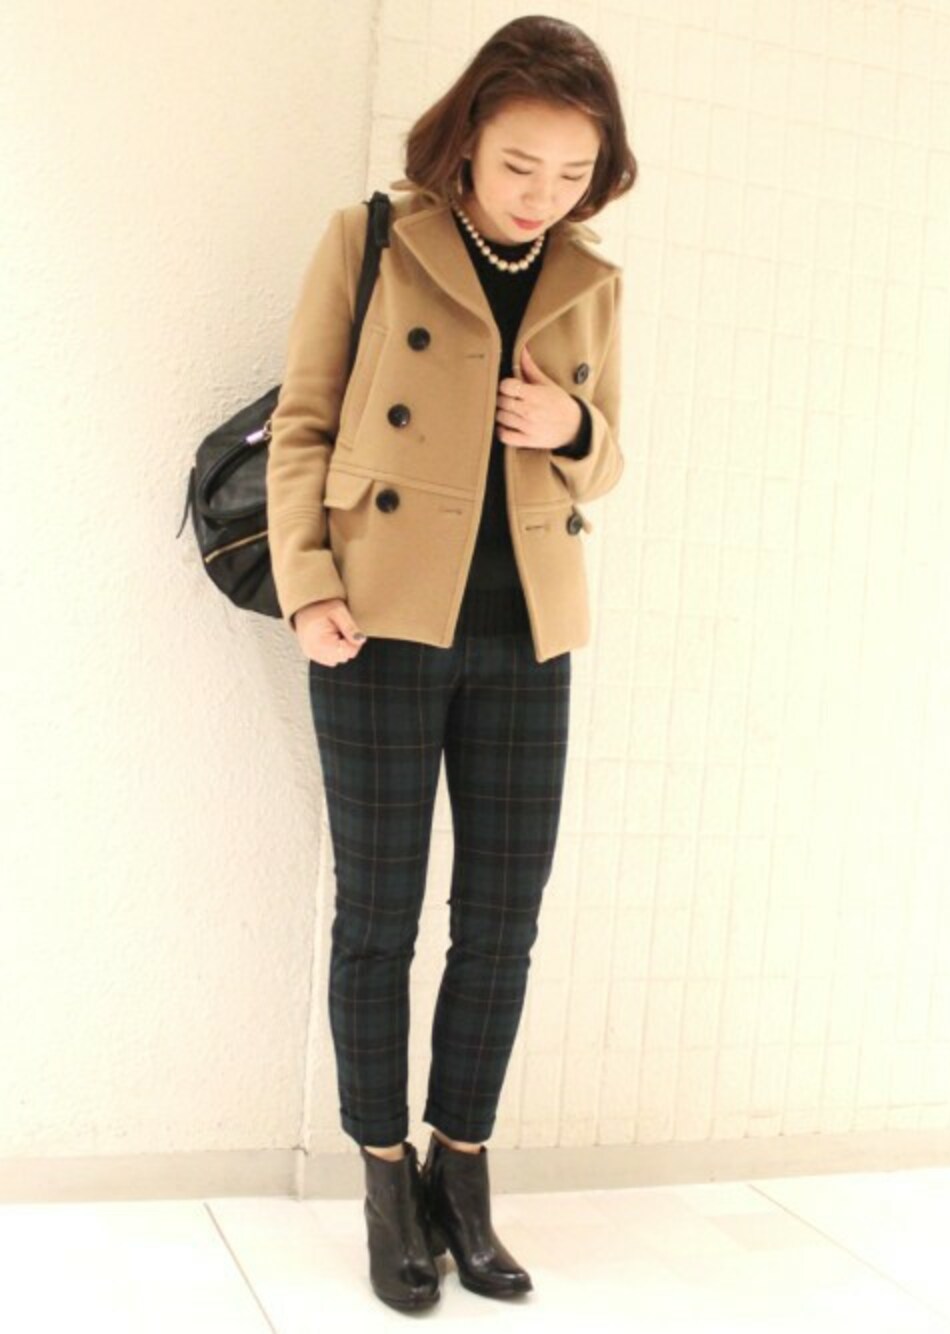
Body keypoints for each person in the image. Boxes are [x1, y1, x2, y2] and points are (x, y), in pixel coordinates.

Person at [266, 13, 636, 1312]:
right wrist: (308, 586)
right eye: (522, 164)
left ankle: (458, 1166)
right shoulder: (373, 240)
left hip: (527, 632)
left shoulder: (589, 279)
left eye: (573, 174)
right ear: (469, 138)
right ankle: (384, 1179)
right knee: (379, 919)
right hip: (377, 624)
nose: (543, 195)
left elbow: (609, 458)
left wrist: (570, 423)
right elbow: (303, 423)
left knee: (502, 923)